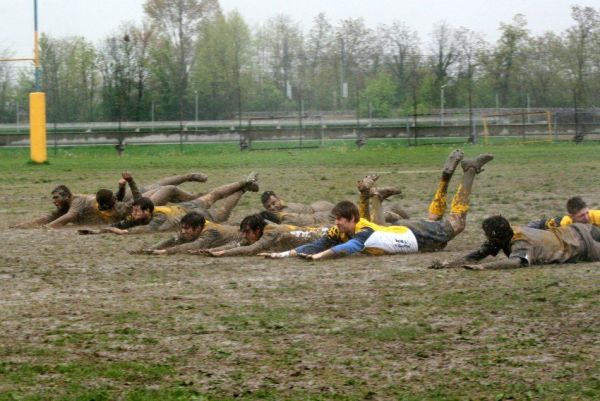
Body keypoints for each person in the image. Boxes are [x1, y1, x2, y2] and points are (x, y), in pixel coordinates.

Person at [261, 152, 493, 260]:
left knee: (456, 223)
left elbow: (346, 248)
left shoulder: (363, 230)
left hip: (412, 236)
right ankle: (444, 178)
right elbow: (317, 244)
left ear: (351, 219)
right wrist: (282, 255)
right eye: (335, 220)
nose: (336, 224)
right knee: (434, 223)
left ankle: (469, 170)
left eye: (339, 220)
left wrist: (320, 256)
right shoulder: (339, 230)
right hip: (405, 234)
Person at [103, 172, 259, 234]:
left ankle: (243, 188)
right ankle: (243, 183)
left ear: (148, 212)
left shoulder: (156, 219)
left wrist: (122, 232)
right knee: (213, 196)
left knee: (223, 212)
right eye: (134, 211)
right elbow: (122, 223)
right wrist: (102, 230)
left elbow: (142, 230)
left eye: (137, 211)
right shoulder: (139, 213)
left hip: (193, 214)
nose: (134, 213)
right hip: (184, 207)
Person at [432, 215, 600, 270]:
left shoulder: (520, 242)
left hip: (584, 247)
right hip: (575, 230)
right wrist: (449, 264)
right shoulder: (508, 232)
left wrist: (484, 267)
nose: (487, 239)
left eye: (487, 235)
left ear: (496, 236)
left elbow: (516, 261)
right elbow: (476, 255)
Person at [194, 211, 327, 257]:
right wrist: (210, 250)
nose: (245, 235)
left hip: (321, 235)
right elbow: (236, 244)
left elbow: (251, 249)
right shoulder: (256, 234)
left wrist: (221, 254)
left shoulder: (270, 233)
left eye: (247, 232)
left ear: (257, 230)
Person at [135, 211, 241, 255]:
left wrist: (164, 252)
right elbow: (173, 240)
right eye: (182, 228)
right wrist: (152, 248)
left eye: (186, 228)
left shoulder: (210, 232)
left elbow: (192, 246)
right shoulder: (196, 225)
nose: (183, 231)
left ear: (198, 228)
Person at [260, 190, 334, 226]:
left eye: (273, 203)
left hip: (320, 209)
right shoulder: (279, 212)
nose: (272, 207)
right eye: (268, 206)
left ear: (278, 199)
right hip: (316, 214)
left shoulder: (285, 212)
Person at [527, 196, 600, 229]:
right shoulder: (565, 224)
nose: (586, 217)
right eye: (581, 215)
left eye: (587, 212)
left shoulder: (597, 216)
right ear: (571, 216)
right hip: (537, 226)